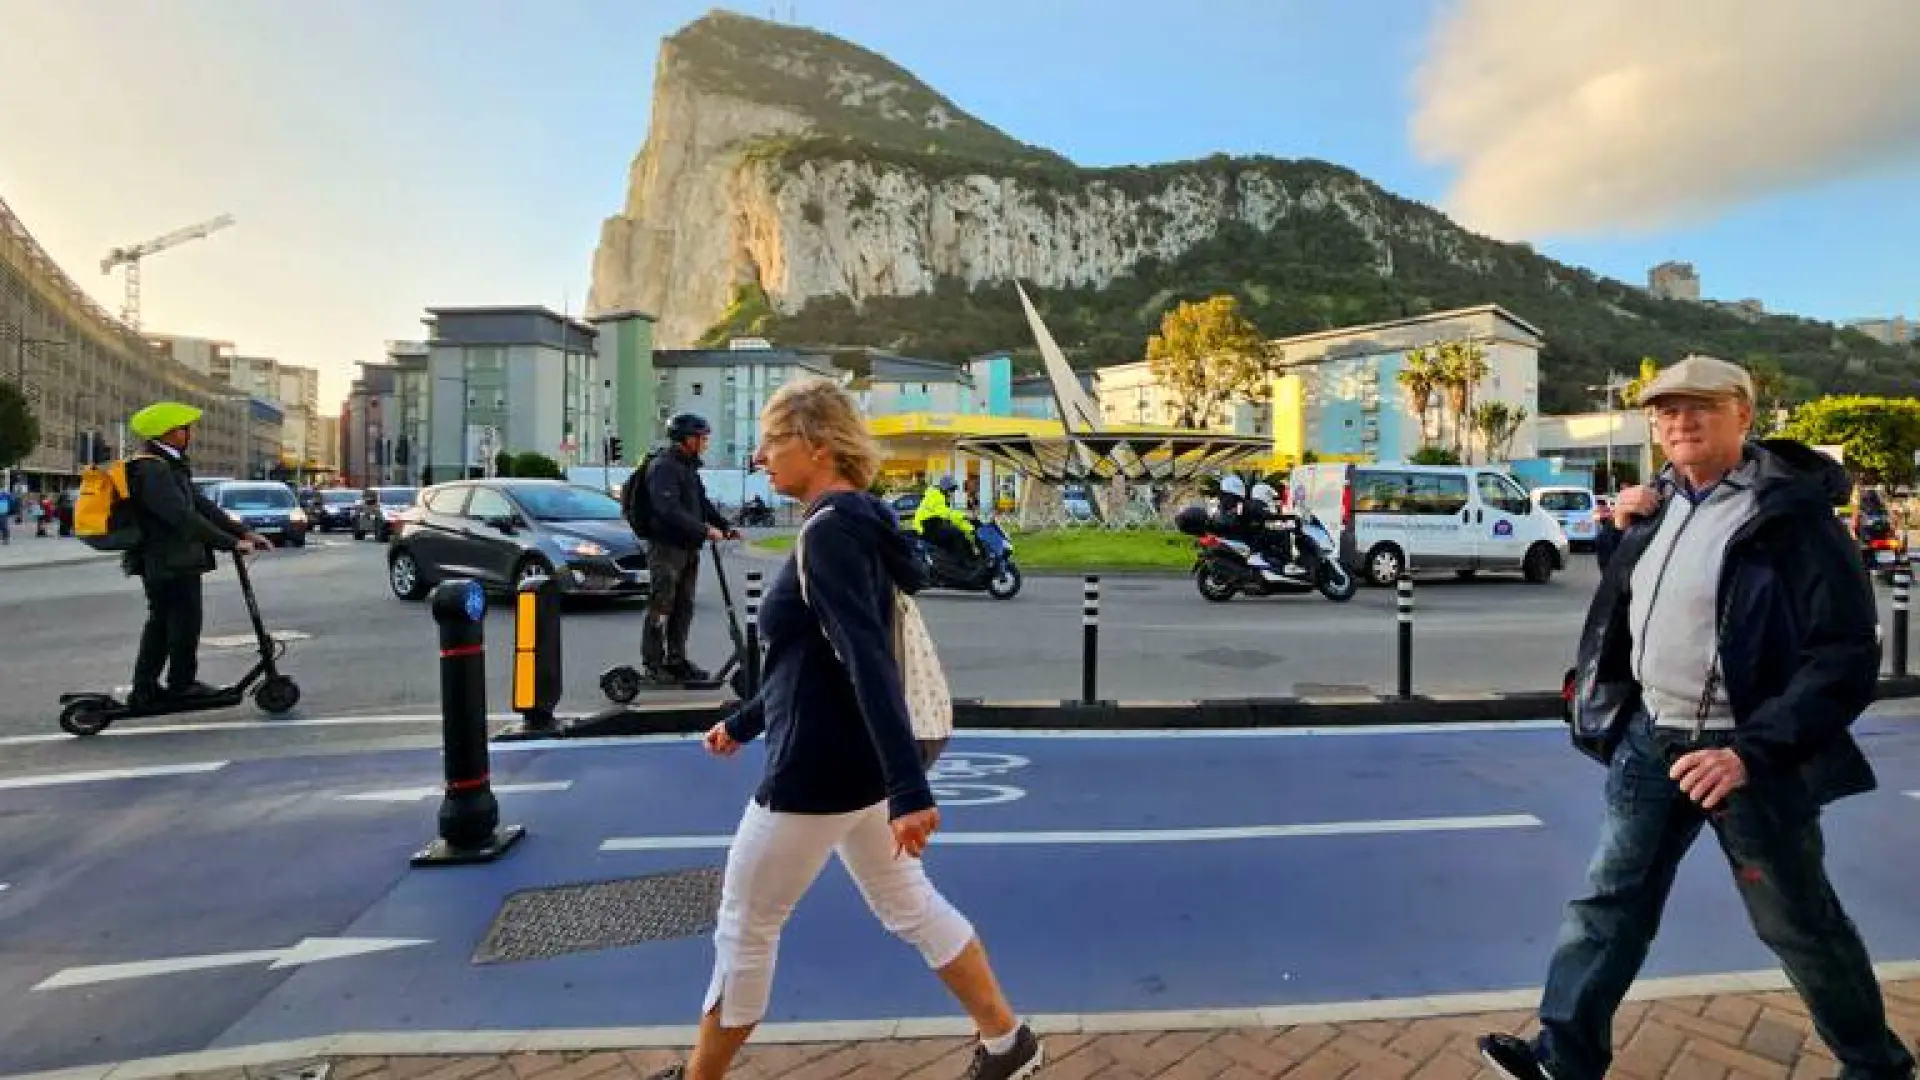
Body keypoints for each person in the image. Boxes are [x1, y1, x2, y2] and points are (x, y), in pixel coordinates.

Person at [1478, 355, 1916, 1080]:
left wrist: (1752, 752)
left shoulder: (1792, 518)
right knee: (1607, 904)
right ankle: (1565, 1054)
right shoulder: (1663, 502)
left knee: (1798, 924)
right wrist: (1620, 534)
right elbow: (1653, 603)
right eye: (1665, 410)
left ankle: (1876, 1066)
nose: (1679, 421)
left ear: (1745, 414)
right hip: (1653, 743)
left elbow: (1841, 656)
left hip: (1745, 760)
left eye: (1700, 407)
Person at [645, 377, 1041, 1080]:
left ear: (817, 444)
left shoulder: (829, 533)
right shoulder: (858, 521)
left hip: (818, 771)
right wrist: (744, 720)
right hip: (855, 768)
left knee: (746, 924)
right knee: (907, 902)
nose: (761, 458)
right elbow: (812, 659)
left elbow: (866, 660)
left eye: (772, 442)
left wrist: (910, 789)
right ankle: (1008, 1043)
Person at [122, 402, 271, 709]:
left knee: (165, 625)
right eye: (182, 428)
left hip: (177, 559)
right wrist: (228, 543)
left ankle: (147, 688)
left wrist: (242, 532)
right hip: (167, 561)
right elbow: (181, 517)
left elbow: (201, 506)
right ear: (166, 433)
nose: (188, 433)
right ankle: (179, 684)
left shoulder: (168, 465)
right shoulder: (151, 469)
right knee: (180, 625)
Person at [633, 413, 738, 684]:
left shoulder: (688, 468)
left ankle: (676, 660)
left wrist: (724, 526)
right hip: (666, 547)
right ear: (686, 439)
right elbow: (667, 509)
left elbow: (701, 504)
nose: (705, 443)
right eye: (701, 438)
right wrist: (705, 530)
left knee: (684, 606)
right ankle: (653, 664)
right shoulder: (664, 467)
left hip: (687, 547)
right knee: (661, 604)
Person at [912, 475, 976, 565]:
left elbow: (952, 517)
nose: (953, 492)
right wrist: (965, 515)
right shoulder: (935, 496)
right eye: (952, 489)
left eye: (954, 490)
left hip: (933, 524)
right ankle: (960, 564)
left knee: (956, 533)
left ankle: (955, 561)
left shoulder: (941, 496)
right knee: (957, 535)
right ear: (945, 488)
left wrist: (970, 528)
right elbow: (947, 513)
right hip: (925, 527)